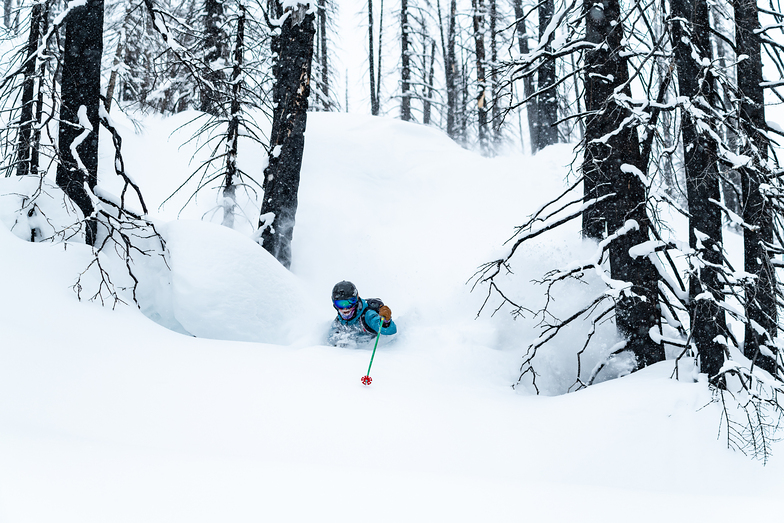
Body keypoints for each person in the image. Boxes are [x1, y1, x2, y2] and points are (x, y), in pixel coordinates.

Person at [328, 280, 397, 346]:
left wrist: (385, 321)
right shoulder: (338, 321)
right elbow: (330, 339)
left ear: (357, 299)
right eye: (340, 304)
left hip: (367, 353)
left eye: (350, 302)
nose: (345, 308)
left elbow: (390, 330)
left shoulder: (367, 315)